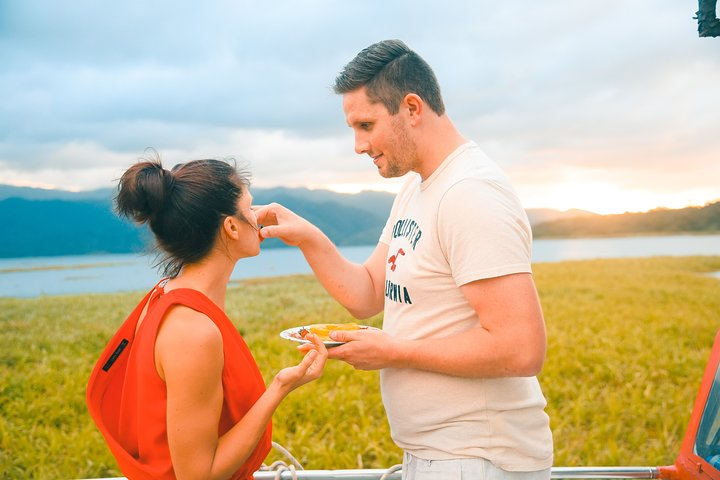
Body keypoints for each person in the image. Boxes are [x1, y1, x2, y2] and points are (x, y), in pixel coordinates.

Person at [255, 39, 553, 479]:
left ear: (412, 108)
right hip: (439, 455)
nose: (358, 145)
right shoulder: (417, 187)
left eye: (365, 125)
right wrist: (308, 237)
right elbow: (368, 293)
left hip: (479, 459)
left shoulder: (469, 193)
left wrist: (393, 350)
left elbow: (521, 348)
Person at [86, 155, 327, 480]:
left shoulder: (166, 295)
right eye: (250, 207)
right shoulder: (193, 330)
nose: (257, 216)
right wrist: (281, 387)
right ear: (230, 226)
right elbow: (199, 475)